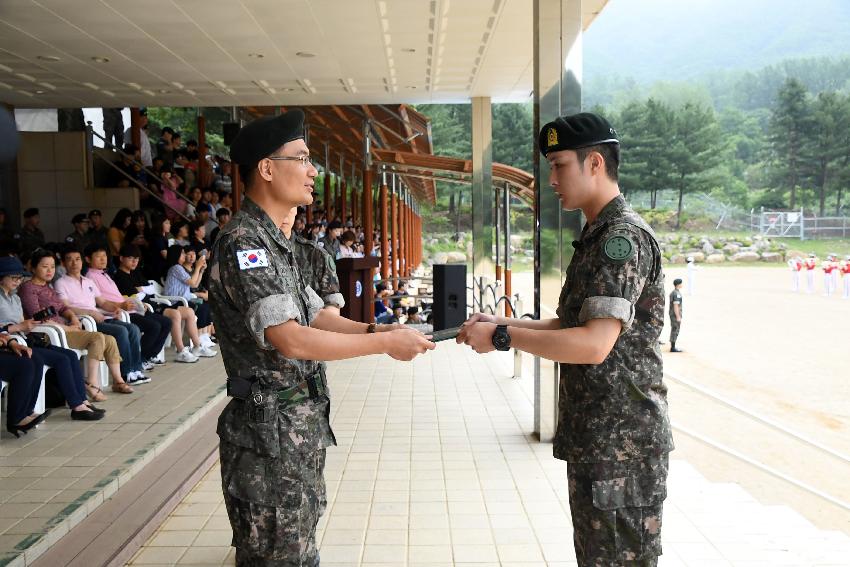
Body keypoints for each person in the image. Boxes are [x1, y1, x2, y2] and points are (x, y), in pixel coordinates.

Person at [211, 109, 434, 566]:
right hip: (267, 438)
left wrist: (382, 329)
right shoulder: (245, 245)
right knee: (278, 556)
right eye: (302, 158)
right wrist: (383, 345)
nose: (314, 170)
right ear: (267, 168)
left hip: (291, 433)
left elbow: (319, 318)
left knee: (298, 545)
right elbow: (291, 339)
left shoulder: (277, 245)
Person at [458, 113, 673, 567]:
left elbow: (593, 345)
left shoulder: (622, 239)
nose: (551, 178)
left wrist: (501, 336)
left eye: (559, 166)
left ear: (594, 163)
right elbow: (568, 324)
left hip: (623, 445)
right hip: (602, 439)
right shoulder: (598, 235)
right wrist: (500, 321)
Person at [0, 256, 104, 422]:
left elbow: (22, 322)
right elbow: (12, 326)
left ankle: (81, 401)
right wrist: (18, 328)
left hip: (25, 338)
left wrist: (28, 325)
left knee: (68, 355)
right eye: (13, 277)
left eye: (20, 277)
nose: (17, 281)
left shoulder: (15, 297)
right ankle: (76, 406)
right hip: (9, 341)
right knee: (48, 360)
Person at [19, 248, 133, 398]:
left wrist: (72, 316)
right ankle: (92, 384)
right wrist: (67, 327)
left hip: (65, 329)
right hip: (49, 334)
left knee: (110, 339)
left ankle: (118, 381)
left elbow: (62, 307)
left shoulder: (47, 287)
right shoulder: (28, 288)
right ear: (33, 268)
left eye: (52, 267)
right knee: (97, 337)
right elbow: (37, 317)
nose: (49, 270)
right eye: (44, 266)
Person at [54, 246, 151, 385]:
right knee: (121, 331)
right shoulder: (60, 283)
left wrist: (116, 308)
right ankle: (126, 373)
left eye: (77, 259)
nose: (74, 263)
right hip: (85, 322)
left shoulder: (88, 281)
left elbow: (103, 302)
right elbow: (65, 307)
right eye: (69, 260)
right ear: (63, 263)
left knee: (133, 329)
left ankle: (136, 369)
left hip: (99, 318)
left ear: (82, 262)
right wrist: (90, 313)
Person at [113, 244, 203, 363]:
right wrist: (143, 290)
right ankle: (179, 351)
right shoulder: (119, 276)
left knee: (186, 313)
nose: (134, 261)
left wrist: (142, 290)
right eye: (130, 258)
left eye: (137, 259)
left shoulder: (135, 273)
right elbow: (134, 294)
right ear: (121, 258)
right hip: (141, 307)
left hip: (152, 302)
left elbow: (148, 288)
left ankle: (197, 347)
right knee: (172, 316)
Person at [85, 243, 171, 368]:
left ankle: (147, 356)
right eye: (98, 257)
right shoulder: (91, 277)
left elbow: (119, 296)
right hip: (118, 312)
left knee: (166, 322)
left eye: (104, 256)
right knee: (154, 326)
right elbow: (100, 301)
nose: (103, 259)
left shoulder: (104, 274)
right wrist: (121, 306)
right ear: (88, 259)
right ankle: (141, 359)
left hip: (129, 308)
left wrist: (138, 304)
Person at [163, 245, 216, 355]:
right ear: (176, 255)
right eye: (182, 253)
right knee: (198, 308)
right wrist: (197, 266)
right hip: (174, 302)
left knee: (195, 310)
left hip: (181, 302)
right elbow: (192, 282)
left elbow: (195, 283)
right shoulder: (176, 268)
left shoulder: (180, 268)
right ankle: (196, 344)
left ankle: (198, 345)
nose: (184, 255)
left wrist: (200, 271)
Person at [669, 278, 683, 352]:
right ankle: (673, 347)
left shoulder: (674, 292)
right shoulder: (676, 294)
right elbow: (676, 306)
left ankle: (673, 346)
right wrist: (678, 316)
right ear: (678, 284)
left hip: (673, 314)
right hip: (675, 315)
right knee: (675, 330)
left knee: (674, 329)